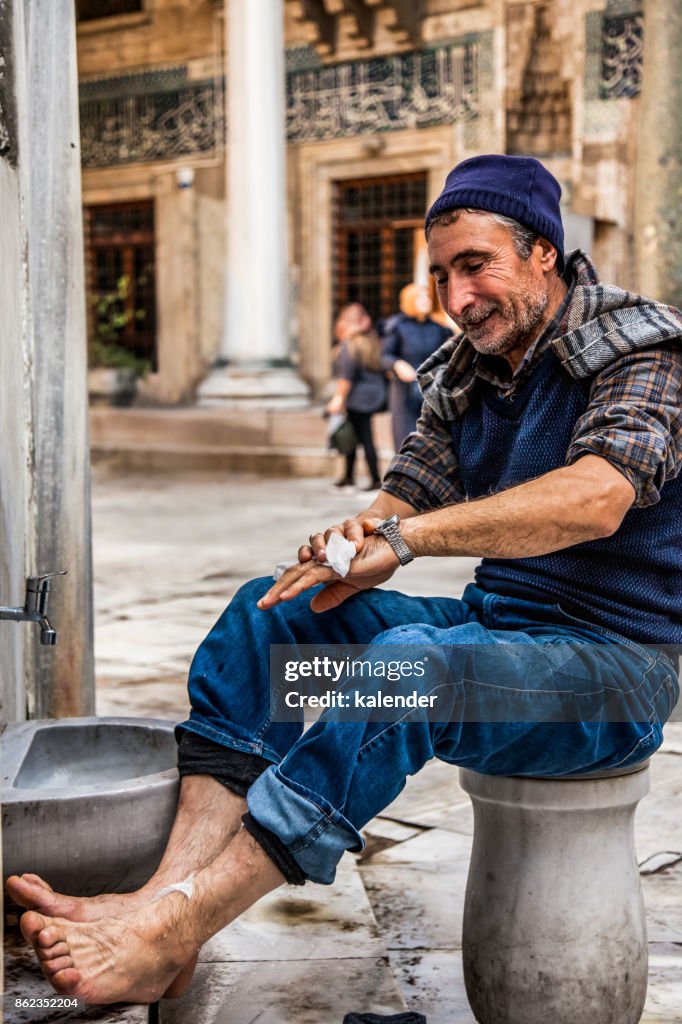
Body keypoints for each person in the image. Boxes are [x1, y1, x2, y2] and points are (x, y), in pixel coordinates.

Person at [7, 153, 682, 1006]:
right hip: (501, 635)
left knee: (405, 669)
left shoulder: (644, 347)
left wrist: (405, 539)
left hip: (621, 670)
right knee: (269, 615)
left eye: (477, 265)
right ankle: (160, 910)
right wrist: (350, 547)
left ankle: (180, 923)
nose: (458, 297)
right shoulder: (465, 374)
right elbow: (404, 496)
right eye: (441, 274)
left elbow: (597, 497)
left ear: (542, 251)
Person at [381, 282, 452, 449]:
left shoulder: (438, 328)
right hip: (404, 392)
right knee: (406, 440)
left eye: (427, 297)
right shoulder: (397, 326)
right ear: (410, 300)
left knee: (433, 441)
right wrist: (397, 364)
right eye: (420, 298)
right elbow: (384, 356)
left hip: (432, 389)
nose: (426, 301)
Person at [328, 303, 386, 491]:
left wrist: (338, 398)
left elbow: (346, 377)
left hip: (357, 399)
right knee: (355, 438)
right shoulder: (371, 342)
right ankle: (348, 477)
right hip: (373, 395)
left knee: (364, 439)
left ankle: (374, 480)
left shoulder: (349, 346)